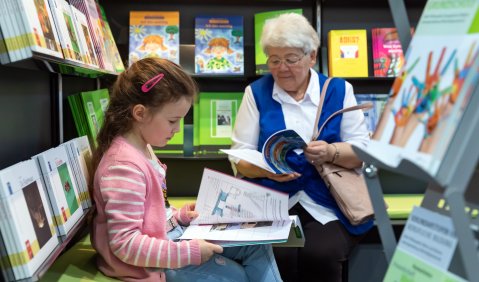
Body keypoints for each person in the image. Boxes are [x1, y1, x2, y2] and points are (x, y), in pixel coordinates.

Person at [90, 57, 283, 282]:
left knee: (257, 247)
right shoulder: (124, 167)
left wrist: (178, 217)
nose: (178, 129)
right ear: (140, 113)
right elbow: (126, 244)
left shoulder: (142, 147)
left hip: (170, 239)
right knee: (235, 276)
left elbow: (149, 213)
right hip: (150, 265)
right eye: (173, 121)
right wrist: (188, 253)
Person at [230, 13, 374, 282]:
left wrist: (330, 152)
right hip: (270, 201)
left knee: (321, 253)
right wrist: (267, 171)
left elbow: (362, 153)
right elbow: (240, 156)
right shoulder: (256, 92)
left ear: (311, 56)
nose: (282, 68)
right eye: (274, 60)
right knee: (275, 254)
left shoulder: (339, 91)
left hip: (331, 202)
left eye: (291, 59)